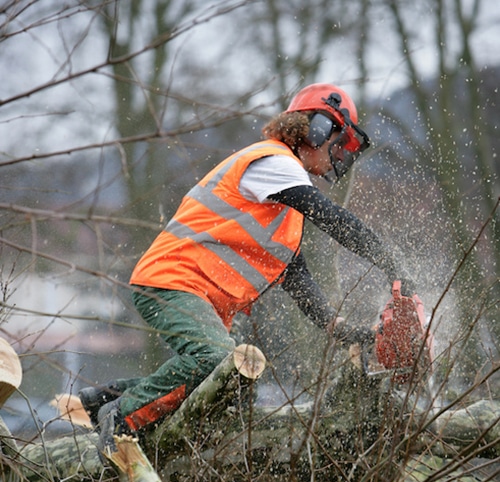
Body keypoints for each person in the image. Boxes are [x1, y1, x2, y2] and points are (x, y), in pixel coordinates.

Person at [79, 82, 415, 448]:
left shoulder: (284, 207)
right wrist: (392, 264)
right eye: (338, 142)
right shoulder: (274, 163)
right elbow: (332, 217)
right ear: (317, 129)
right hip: (173, 280)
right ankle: (122, 422)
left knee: (230, 387)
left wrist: (345, 330)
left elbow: (297, 278)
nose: (339, 156)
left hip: (194, 293)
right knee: (215, 360)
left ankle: (102, 401)